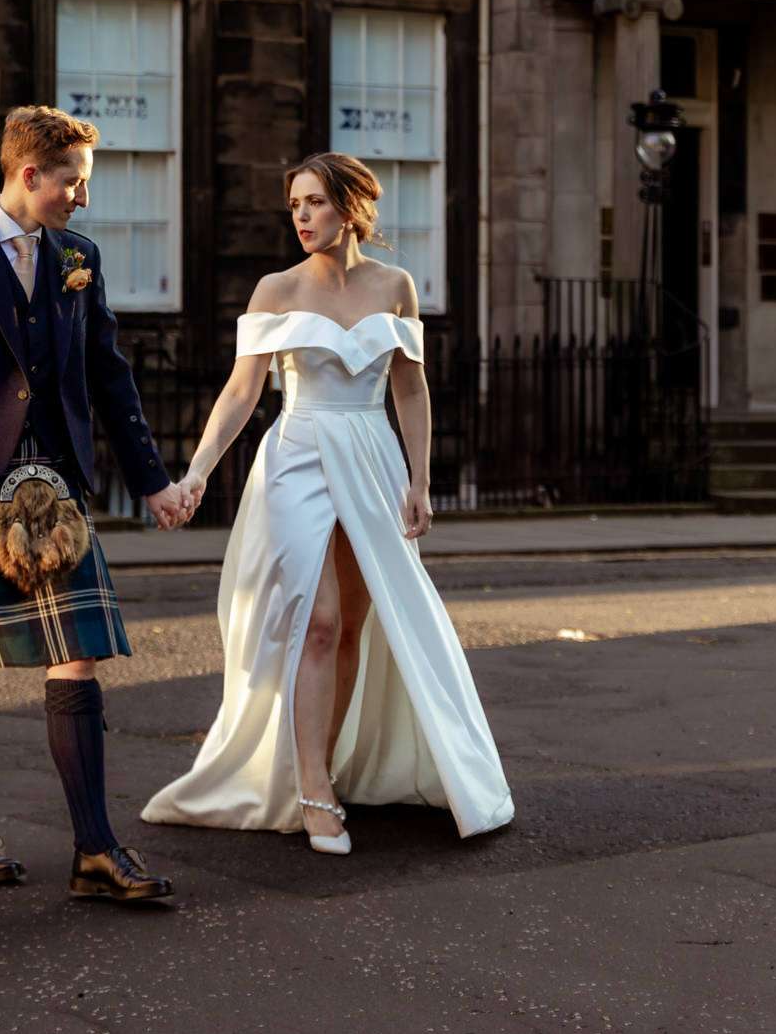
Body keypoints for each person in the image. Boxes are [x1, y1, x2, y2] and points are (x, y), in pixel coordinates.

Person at [141, 153, 514, 854]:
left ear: (349, 207)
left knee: (354, 628)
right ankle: (311, 790)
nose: (302, 217)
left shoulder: (395, 285)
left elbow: (409, 388)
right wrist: (194, 473)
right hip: (299, 454)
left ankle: (330, 765)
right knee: (319, 620)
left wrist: (421, 480)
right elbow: (242, 391)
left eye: (314, 202)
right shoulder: (275, 289)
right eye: (295, 205)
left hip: (371, 456)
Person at [0, 104, 190, 901]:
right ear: (30, 175)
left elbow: (109, 372)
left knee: (77, 653)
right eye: (72, 183)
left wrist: (151, 478)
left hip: (57, 491)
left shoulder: (76, 256)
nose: (81, 199)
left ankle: (95, 848)